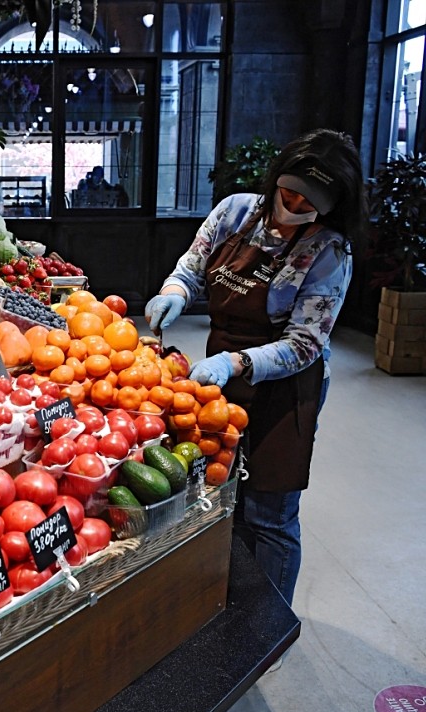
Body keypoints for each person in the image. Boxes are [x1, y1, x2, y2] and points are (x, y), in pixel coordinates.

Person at [144, 129, 368, 608]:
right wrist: (175, 294)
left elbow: (306, 342)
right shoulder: (235, 212)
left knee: (271, 510)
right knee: (226, 496)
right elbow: (191, 266)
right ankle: (231, 605)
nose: (294, 203)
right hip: (220, 373)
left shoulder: (329, 251)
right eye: (289, 190)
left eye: (310, 201)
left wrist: (237, 363)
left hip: (286, 386)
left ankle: (269, 619)